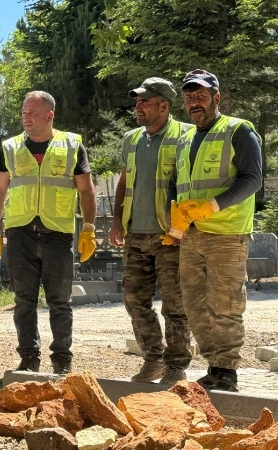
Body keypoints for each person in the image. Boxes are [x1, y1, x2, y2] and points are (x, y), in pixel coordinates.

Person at [0, 91, 96, 375]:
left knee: (60, 301)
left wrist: (89, 228)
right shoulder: (10, 147)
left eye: (32, 113)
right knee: (24, 301)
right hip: (20, 233)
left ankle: (62, 360)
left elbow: (86, 189)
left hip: (58, 234)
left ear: (49, 116)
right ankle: (29, 358)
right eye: (24, 112)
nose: (26, 117)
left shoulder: (72, 145)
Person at [169, 70, 262, 392]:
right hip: (191, 235)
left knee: (224, 305)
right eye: (189, 97)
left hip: (226, 233)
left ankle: (227, 372)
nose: (195, 102)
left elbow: (252, 179)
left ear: (216, 98)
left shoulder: (238, 130)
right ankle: (214, 367)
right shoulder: (185, 139)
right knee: (194, 305)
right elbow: (178, 183)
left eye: (201, 95)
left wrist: (213, 205)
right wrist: (175, 221)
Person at [108, 78, 193, 384]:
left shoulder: (186, 135)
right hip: (136, 234)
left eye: (145, 101)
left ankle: (177, 364)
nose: (138, 107)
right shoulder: (131, 139)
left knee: (175, 303)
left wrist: (183, 227)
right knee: (134, 299)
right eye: (137, 101)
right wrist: (117, 221)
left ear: (164, 106)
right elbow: (124, 181)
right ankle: (153, 359)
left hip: (170, 236)